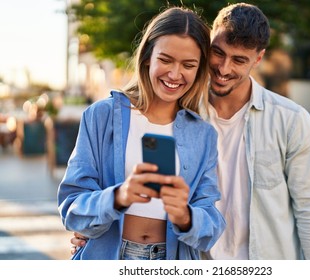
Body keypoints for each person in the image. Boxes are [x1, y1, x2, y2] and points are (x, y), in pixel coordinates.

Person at [71, 2, 310, 260]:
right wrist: (99, 222)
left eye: (239, 60)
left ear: (258, 59)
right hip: (194, 260)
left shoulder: (289, 120)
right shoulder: (179, 110)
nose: (224, 69)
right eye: (219, 53)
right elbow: (78, 198)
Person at [58, 6, 226, 260]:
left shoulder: (203, 135)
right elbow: (72, 207)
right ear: (148, 56)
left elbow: (211, 226)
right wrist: (118, 196)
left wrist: (185, 215)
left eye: (188, 65)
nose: (174, 74)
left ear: (199, 69)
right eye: (165, 59)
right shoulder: (101, 116)